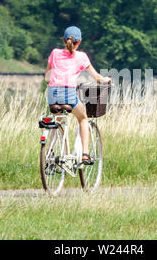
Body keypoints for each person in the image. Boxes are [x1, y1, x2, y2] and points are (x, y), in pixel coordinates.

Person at [45, 26, 111, 164]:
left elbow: (47, 77)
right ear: (79, 42)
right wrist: (106, 80)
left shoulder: (55, 53)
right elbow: (97, 78)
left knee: (57, 121)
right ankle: (85, 154)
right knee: (83, 117)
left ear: (63, 40)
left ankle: (50, 154)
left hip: (52, 94)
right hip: (69, 94)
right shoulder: (81, 57)